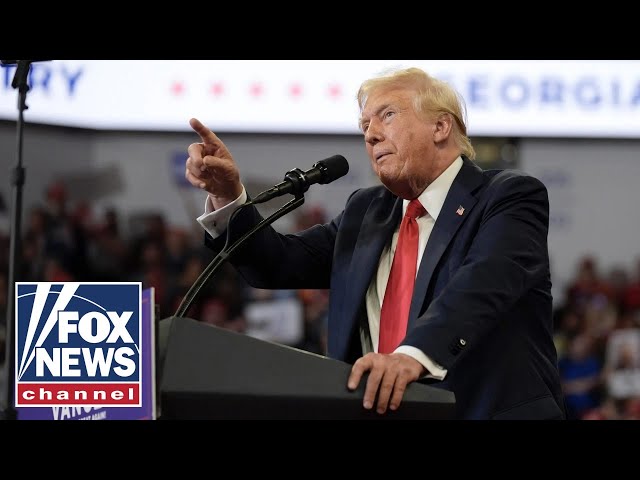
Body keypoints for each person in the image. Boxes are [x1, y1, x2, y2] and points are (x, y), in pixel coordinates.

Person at [184, 66, 566, 420]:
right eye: (365, 124)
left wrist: (412, 355)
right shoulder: (366, 211)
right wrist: (228, 197)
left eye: (388, 115)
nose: (370, 134)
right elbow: (276, 262)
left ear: (440, 126)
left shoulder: (508, 197)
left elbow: (483, 283)